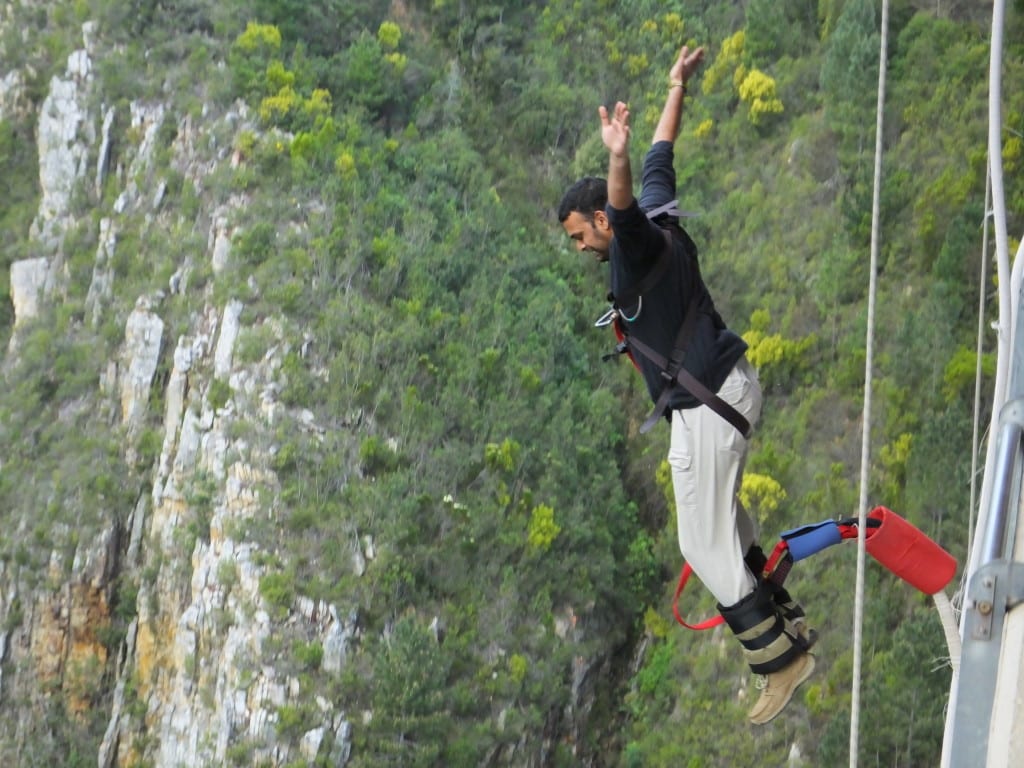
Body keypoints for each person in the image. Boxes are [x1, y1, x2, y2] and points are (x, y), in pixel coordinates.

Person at [557, 43, 815, 725]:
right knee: (723, 529)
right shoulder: (659, 210)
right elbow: (661, 153)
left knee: (699, 546)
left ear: (604, 223)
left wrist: (613, 152)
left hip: (705, 404)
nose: (581, 248)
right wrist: (676, 84)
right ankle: (778, 609)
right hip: (726, 391)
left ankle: (779, 660)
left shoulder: (633, 241)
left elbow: (626, 193)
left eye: (581, 235)